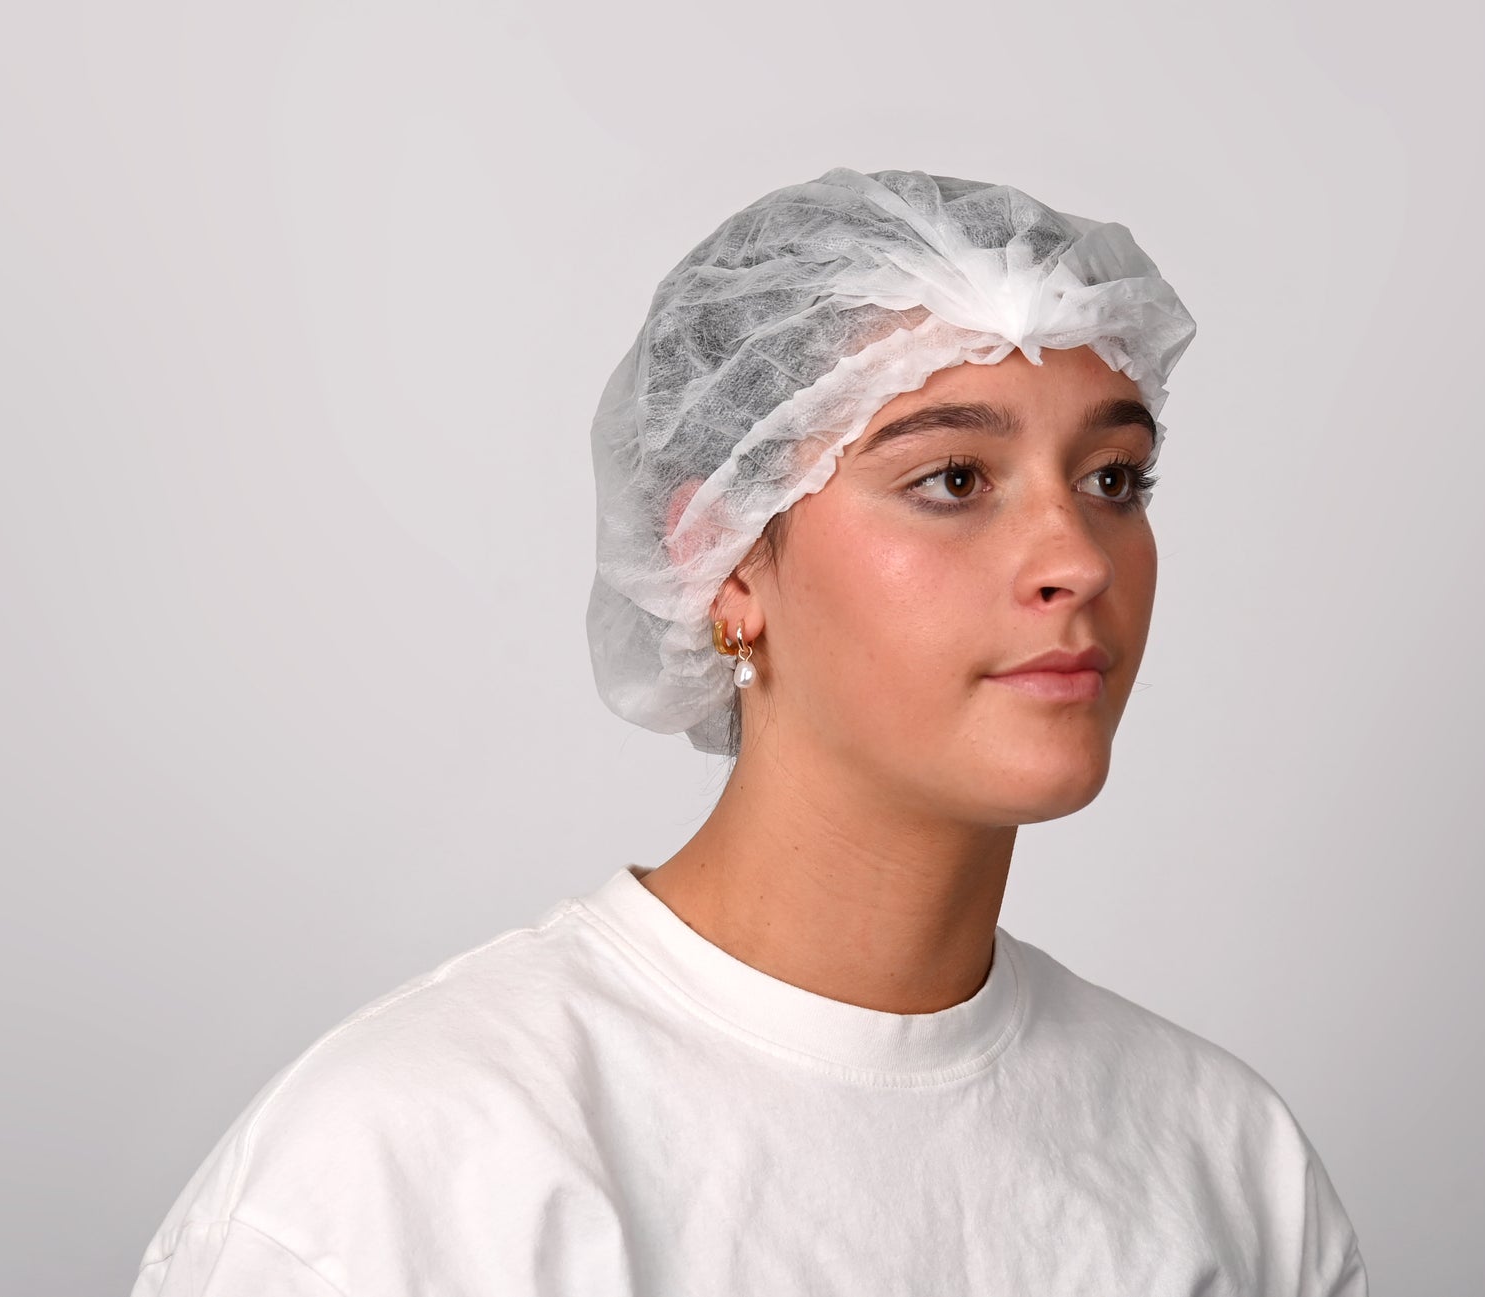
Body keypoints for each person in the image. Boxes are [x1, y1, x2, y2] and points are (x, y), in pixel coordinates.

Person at [131, 167, 1368, 1296]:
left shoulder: (1221, 1162)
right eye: (952, 479)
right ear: (718, 556)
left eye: (1112, 479)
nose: (1077, 561)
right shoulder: (413, 1172)